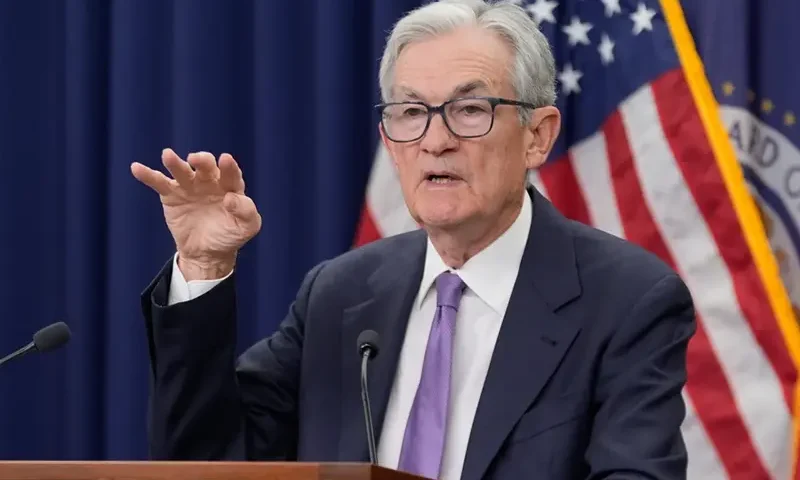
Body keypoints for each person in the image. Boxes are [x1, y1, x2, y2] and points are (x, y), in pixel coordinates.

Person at [131, 1, 696, 479]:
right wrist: (204, 265)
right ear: (389, 140)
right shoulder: (339, 294)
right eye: (411, 113)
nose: (435, 140)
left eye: (470, 109)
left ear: (537, 136)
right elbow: (207, 465)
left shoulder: (626, 302)